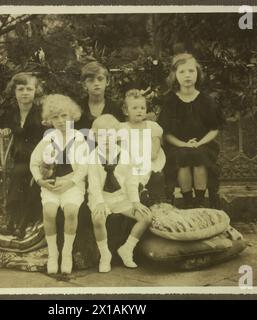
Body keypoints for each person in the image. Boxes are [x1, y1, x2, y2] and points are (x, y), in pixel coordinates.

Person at [30, 94, 89, 274]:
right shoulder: (48, 138)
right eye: (55, 117)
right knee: (49, 212)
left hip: (72, 184)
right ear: (49, 120)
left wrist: (70, 183)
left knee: (71, 211)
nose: (61, 121)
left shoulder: (79, 138)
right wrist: (41, 181)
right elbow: (33, 161)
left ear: (72, 116)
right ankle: (53, 254)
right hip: (51, 185)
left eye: (64, 116)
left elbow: (84, 167)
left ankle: (67, 253)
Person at [87, 114, 152, 273]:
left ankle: (127, 248)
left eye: (110, 135)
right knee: (97, 218)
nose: (107, 139)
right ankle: (105, 255)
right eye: (102, 135)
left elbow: (131, 180)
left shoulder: (124, 155)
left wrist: (135, 201)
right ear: (95, 137)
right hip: (102, 197)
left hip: (122, 198)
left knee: (146, 217)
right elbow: (94, 184)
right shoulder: (93, 157)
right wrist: (100, 202)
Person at [158, 53, 224, 208]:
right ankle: (188, 201)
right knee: (183, 156)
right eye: (182, 72)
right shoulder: (170, 101)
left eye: (191, 71)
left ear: (197, 73)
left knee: (199, 155)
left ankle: (199, 201)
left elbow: (214, 129)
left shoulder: (206, 100)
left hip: (203, 145)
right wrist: (183, 144)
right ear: (175, 75)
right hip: (177, 146)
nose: (187, 75)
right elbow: (166, 133)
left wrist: (199, 143)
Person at [0, 73, 46, 238]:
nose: (25, 92)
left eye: (29, 89)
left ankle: (23, 221)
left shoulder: (41, 112)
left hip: (38, 156)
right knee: (18, 173)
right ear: (14, 91)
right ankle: (11, 218)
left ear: (35, 91)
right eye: (21, 89)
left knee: (31, 176)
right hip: (20, 157)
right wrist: (1, 131)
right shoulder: (11, 113)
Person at [119, 89, 168, 205]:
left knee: (154, 174)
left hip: (150, 161)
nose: (139, 111)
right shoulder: (122, 128)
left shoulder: (152, 127)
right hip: (130, 162)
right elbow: (121, 150)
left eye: (142, 108)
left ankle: (149, 196)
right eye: (134, 108)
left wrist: (145, 157)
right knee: (128, 172)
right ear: (126, 111)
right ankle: (139, 194)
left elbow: (154, 151)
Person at [75, 61, 125, 132]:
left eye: (100, 79)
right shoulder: (77, 109)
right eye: (91, 80)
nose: (96, 83)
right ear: (84, 85)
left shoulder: (115, 109)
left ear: (107, 81)